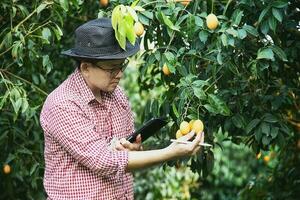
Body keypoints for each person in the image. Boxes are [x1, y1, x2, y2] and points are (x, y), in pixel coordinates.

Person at [40, 17, 204, 200]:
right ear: (85, 67)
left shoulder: (117, 96)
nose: (119, 74)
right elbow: (104, 161)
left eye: (121, 66)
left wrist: (132, 148)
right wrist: (170, 152)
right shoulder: (62, 104)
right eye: (112, 69)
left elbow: (125, 157)